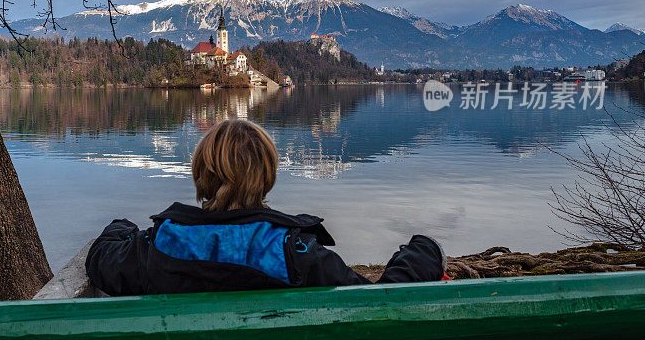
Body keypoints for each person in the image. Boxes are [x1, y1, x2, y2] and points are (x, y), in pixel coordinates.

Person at [85, 119, 447, 296]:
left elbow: (101, 259)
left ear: (201, 174)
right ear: (267, 177)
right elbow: (375, 310)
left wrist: (123, 227)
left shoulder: (159, 246)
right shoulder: (297, 253)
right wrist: (424, 252)